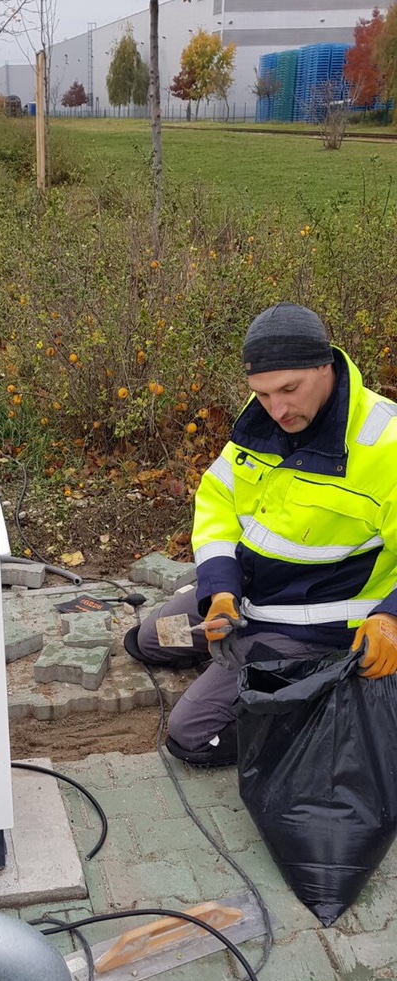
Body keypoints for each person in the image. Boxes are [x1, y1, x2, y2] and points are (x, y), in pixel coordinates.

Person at [125, 302, 397, 767]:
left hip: (310, 628)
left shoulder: (385, 445)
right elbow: (217, 500)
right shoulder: (263, 418)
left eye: (289, 389)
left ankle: (320, 692)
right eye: (263, 393)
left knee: (192, 736)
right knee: (148, 641)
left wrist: (392, 617)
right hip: (243, 598)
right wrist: (219, 590)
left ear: (325, 366)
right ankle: (234, 657)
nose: (277, 409)